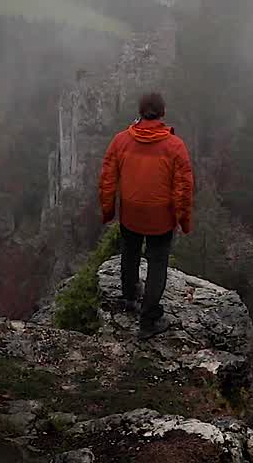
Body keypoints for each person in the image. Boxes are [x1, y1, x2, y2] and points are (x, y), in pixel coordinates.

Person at [98, 92, 194, 338]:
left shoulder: (121, 141)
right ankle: (148, 320)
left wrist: (108, 210)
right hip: (161, 218)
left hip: (131, 213)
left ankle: (130, 298)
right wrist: (183, 220)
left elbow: (107, 179)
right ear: (162, 113)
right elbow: (183, 188)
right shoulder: (175, 146)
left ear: (140, 113)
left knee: (129, 254)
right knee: (157, 263)